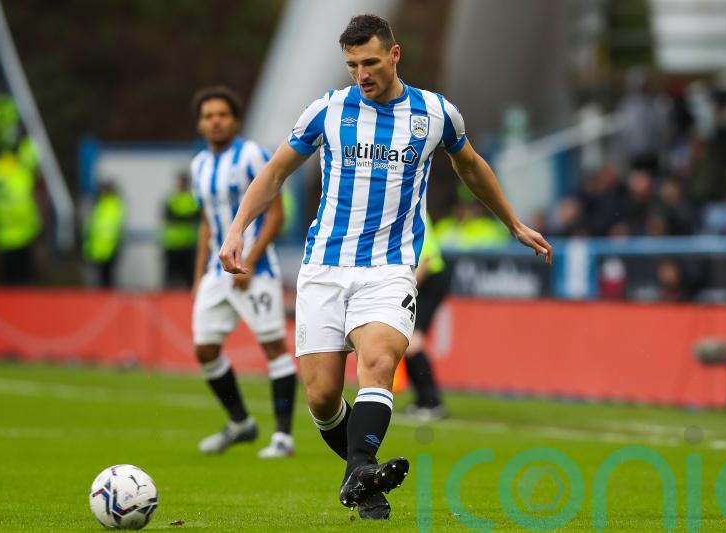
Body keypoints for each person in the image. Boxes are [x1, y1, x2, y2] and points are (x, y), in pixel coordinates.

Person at [218, 15, 552, 520]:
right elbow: (276, 170)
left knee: (377, 362)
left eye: (370, 63)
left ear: (394, 55)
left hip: (390, 267)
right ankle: (362, 478)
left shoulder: (435, 113)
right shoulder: (327, 111)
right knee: (324, 397)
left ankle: (362, 465)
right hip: (324, 266)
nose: (361, 74)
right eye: (352, 65)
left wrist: (512, 222)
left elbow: (472, 167)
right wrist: (238, 226)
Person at [189, 85, 296, 459]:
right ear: (201, 124)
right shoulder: (199, 165)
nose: (215, 121)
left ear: (234, 120)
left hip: (256, 269)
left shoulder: (252, 155)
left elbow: (277, 213)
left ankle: (283, 437)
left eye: (222, 114)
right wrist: (199, 275)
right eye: (208, 116)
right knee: (204, 349)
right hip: (216, 274)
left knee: (274, 348)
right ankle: (240, 423)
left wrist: (249, 257)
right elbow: (206, 223)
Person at [402, 216, 450, 421]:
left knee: (413, 342)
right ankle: (423, 401)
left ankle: (432, 403)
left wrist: (407, 290)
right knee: (406, 342)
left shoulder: (415, 213)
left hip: (430, 280)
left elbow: (427, 259)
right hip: (424, 281)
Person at [0, 147, 41, 285]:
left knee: (8, 275)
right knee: (20, 276)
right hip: (23, 230)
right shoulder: (22, 172)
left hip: (4, 229)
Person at [161, 170, 200, 288]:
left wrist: (181, 217)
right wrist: (185, 217)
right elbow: (169, 216)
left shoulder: (192, 198)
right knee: (171, 274)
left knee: (188, 274)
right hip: (172, 243)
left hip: (188, 243)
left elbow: (195, 216)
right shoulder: (172, 198)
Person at [82, 181, 124, 288]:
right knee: (100, 279)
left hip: (108, 247)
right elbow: (93, 227)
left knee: (106, 279)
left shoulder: (111, 205)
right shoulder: (100, 205)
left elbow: (112, 227)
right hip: (98, 248)